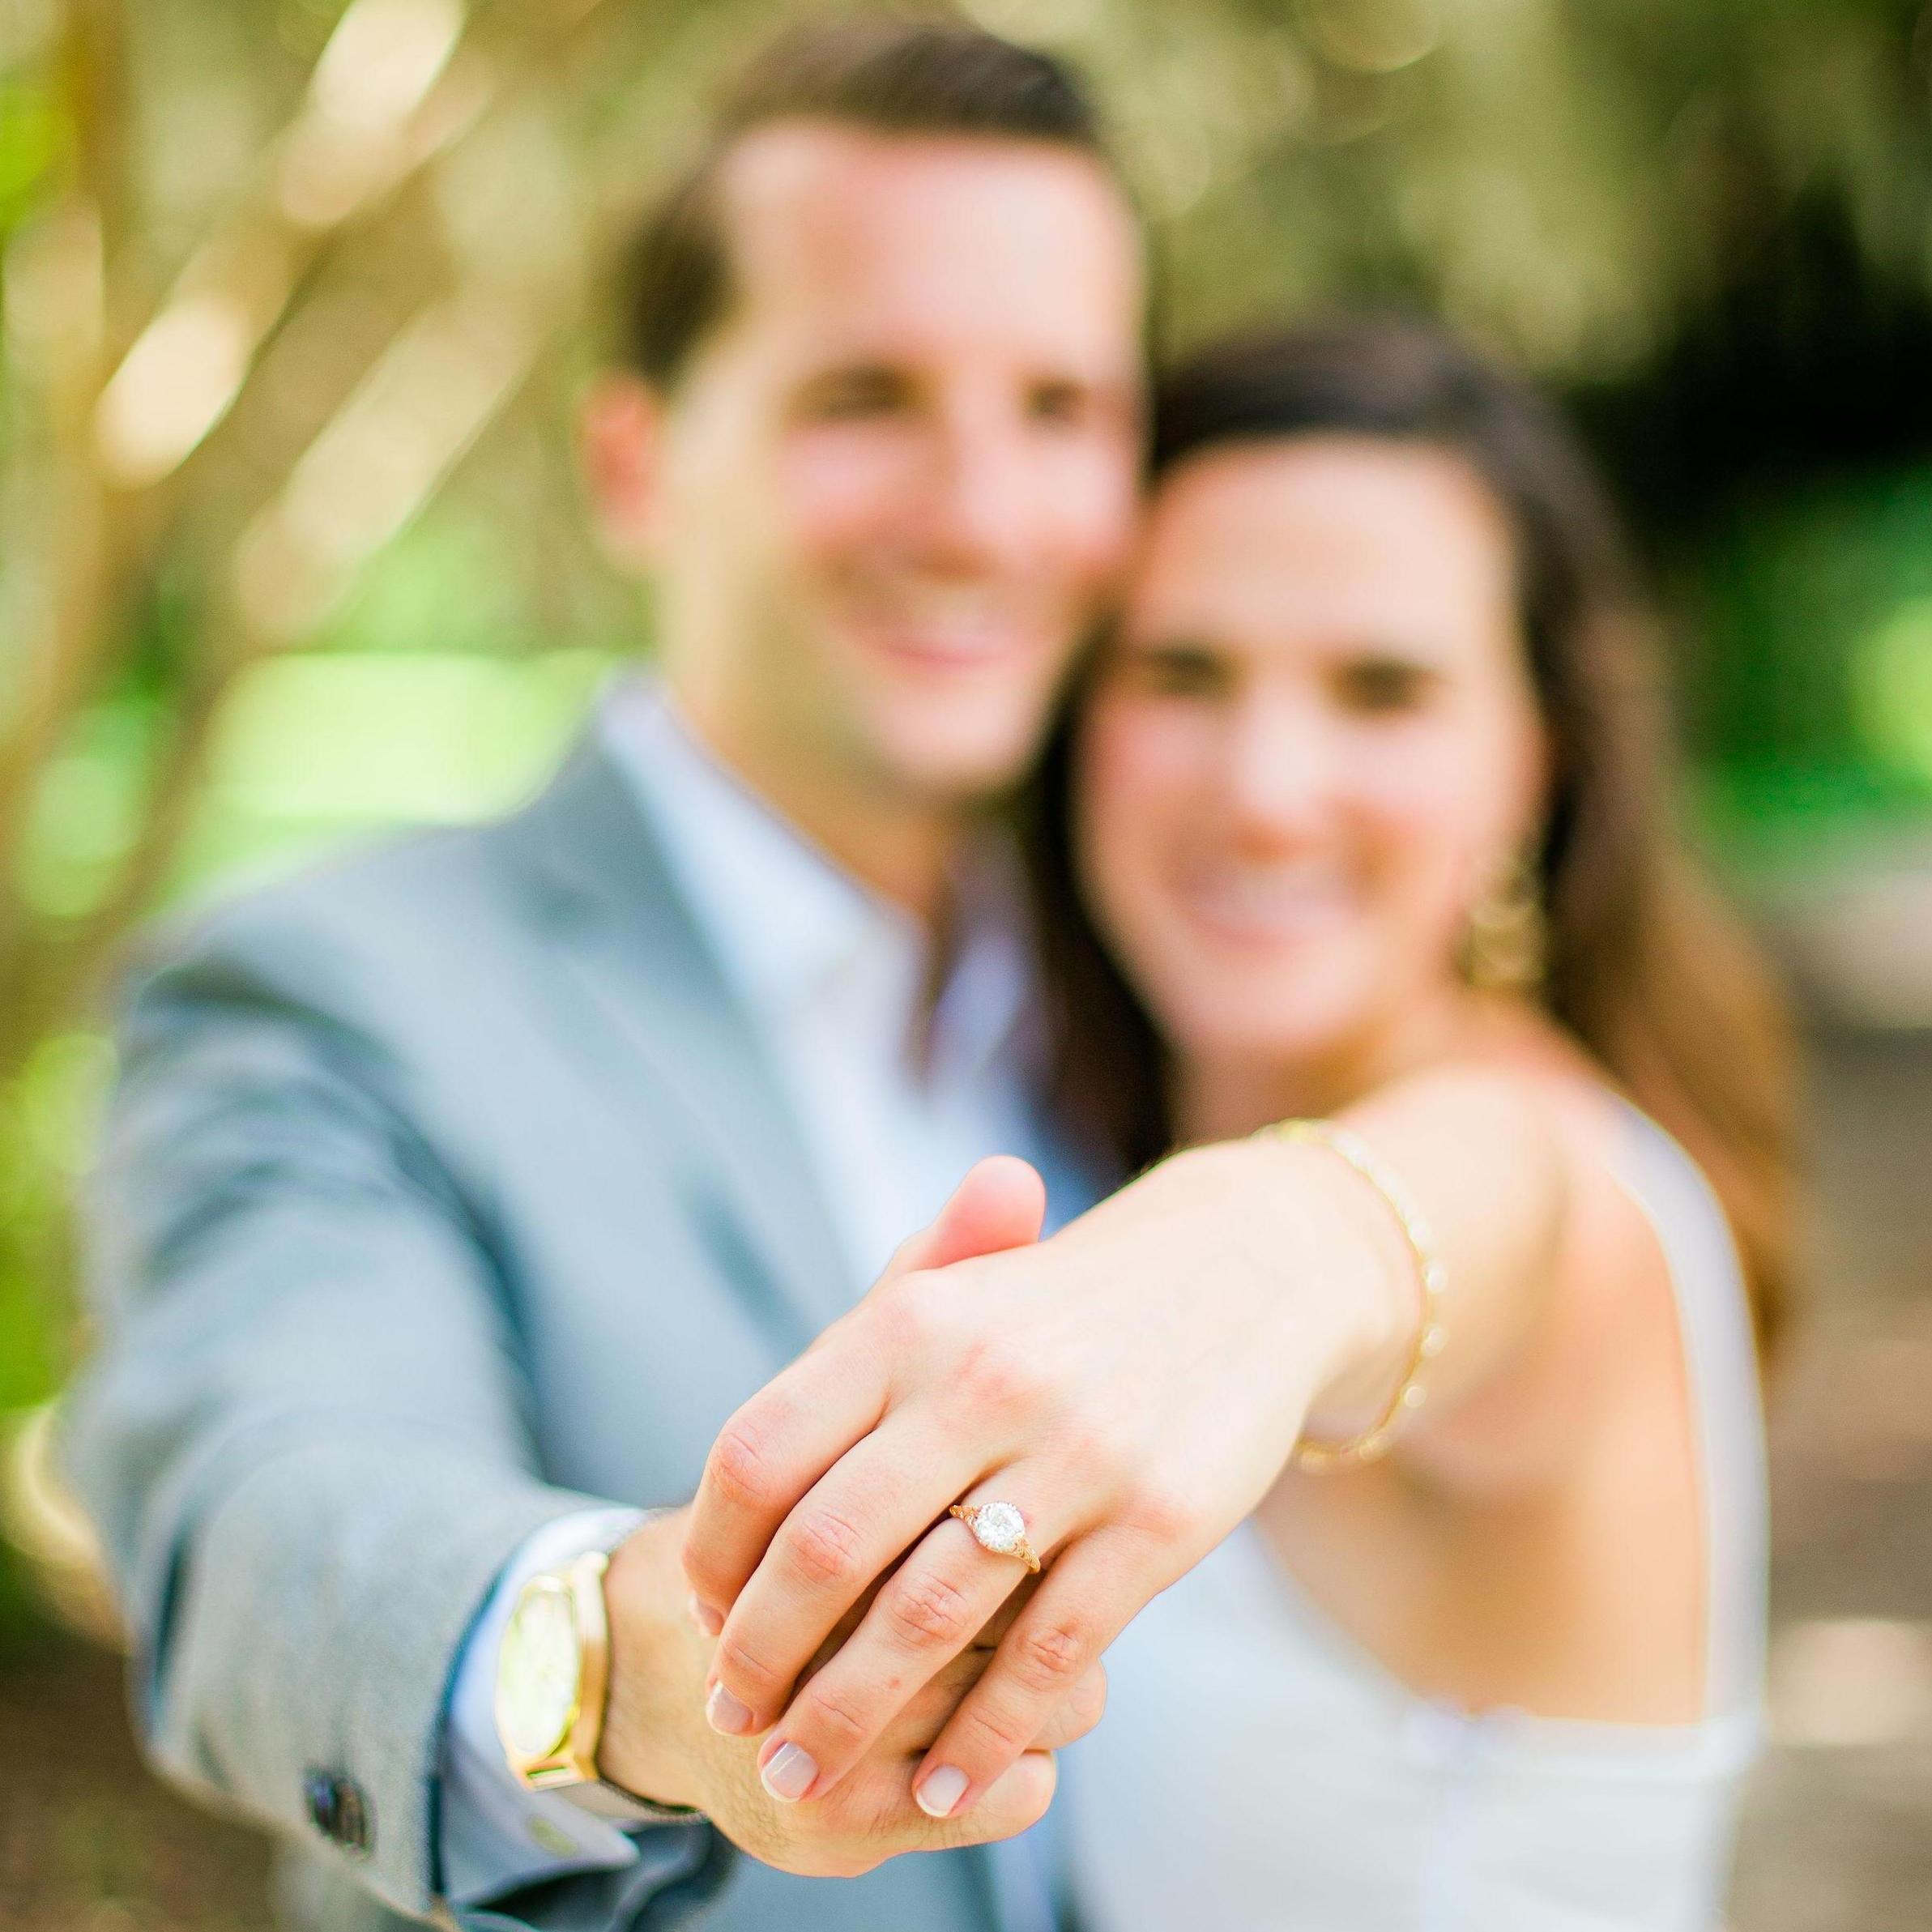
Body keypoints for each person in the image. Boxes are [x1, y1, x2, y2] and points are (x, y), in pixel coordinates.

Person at [61, 17, 1144, 1932]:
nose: (984, 512)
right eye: (865, 397)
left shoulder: (1159, 989)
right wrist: (646, 1667)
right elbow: (267, 1510)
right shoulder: (314, 991)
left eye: (1059, 407)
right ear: (637, 467)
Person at [679, 318, 1798, 1926]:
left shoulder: (1566, 1190)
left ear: (1529, 763)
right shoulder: (1045, 1130)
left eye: (1381, 688)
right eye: (1180, 671)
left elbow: (1439, 1214)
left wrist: (1272, 1247)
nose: (1266, 785)